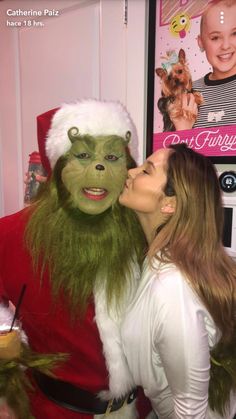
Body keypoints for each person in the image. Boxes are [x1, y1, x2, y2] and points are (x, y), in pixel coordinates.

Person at [0, 99, 151, 419]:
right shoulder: (11, 234)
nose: (98, 169)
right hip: (53, 410)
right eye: (82, 155)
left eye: (112, 157)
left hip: (142, 410)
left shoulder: (144, 230)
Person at [119, 144, 236, 418]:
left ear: (170, 203)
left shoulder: (172, 288)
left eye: (146, 170)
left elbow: (190, 410)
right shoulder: (156, 260)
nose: (130, 172)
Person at [172, 0, 236, 131]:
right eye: (215, 37)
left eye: (235, 34)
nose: (225, 45)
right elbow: (175, 150)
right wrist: (183, 130)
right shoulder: (189, 93)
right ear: (201, 42)